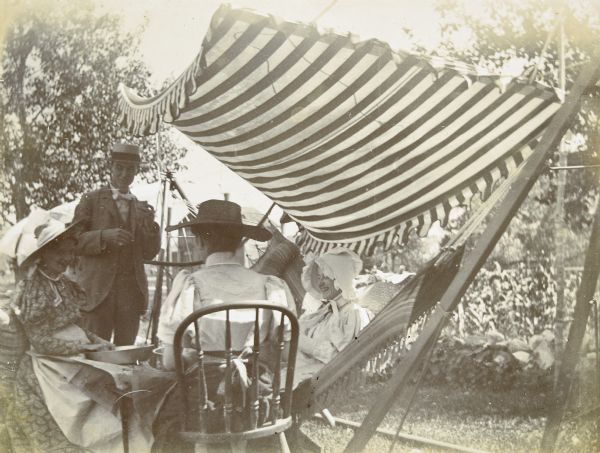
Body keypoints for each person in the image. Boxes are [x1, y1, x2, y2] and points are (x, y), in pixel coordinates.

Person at [6, 218, 152, 453]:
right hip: (49, 362)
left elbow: (77, 325)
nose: (66, 259)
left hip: (77, 354)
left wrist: (99, 342)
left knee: (123, 380)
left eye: (69, 253)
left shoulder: (65, 283)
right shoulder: (33, 287)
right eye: (59, 255)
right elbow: (40, 341)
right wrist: (83, 349)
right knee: (93, 396)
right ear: (43, 255)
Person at [157, 199, 296, 370]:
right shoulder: (271, 287)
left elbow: (170, 362)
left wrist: (192, 360)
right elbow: (287, 355)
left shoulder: (190, 287)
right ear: (240, 243)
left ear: (199, 242)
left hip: (204, 392)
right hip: (257, 391)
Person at [73, 143, 161, 345]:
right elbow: (73, 241)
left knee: (126, 357)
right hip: (96, 295)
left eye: (130, 169)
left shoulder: (139, 206)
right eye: (119, 167)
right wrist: (104, 236)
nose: (124, 174)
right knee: (95, 354)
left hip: (129, 297)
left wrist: (149, 225)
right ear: (110, 168)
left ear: (137, 171)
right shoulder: (91, 200)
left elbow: (149, 253)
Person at [294, 248, 371, 385]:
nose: (320, 283)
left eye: (326, 277)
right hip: (305, 371)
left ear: (341, 277)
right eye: (319, 277)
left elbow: (348, 361)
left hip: (324, 382)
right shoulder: (325, 312)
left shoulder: (353, 313)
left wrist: (307, 344)